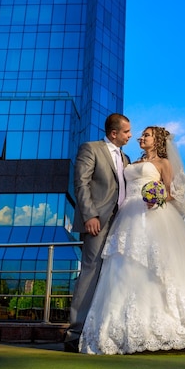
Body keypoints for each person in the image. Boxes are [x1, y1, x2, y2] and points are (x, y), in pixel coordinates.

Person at [79, 126, 185, 355]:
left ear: (157, 140)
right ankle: (123, 328)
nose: (141, 137)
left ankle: (173, 326)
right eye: (141, 135)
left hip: (153, 214)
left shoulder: (164, 163)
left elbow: (170, 192)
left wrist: (156, 199)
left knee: (159, 266)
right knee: (123, 267)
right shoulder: (129, 161)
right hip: (127, 216)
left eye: (146, 134)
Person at [64, 113, 132, 353]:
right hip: (98, 222)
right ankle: (75, 333)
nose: (130, 135)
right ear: (114, 133)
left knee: (114, 274)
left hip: (122, 223)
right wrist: (89, 215)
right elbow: (80, 183)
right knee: (91, 271)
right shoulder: (90, 148)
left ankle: (101, 329)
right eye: (126, 132)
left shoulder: (126, 157)